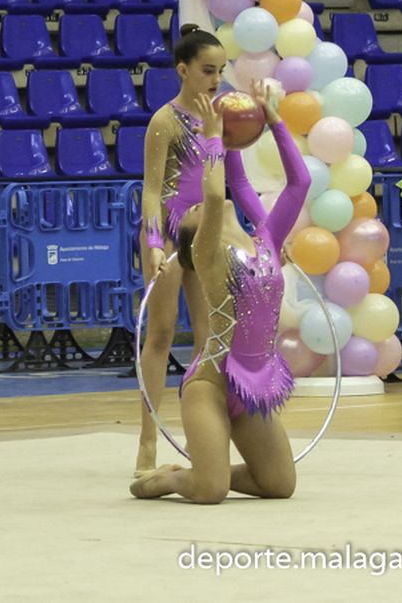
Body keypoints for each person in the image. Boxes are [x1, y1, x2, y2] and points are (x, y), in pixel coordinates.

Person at [130, 81, 303, 504]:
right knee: (209, 492)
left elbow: (299, 184)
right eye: (192, 215)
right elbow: (212, 191)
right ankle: (167, 479)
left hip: (252, 387)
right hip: (210, 386)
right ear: (197, 236)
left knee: (280, 485)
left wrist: (275, 118)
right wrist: (213, 136)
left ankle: (214, 469)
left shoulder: (267, 240)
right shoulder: (208, 253)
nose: (198, 208)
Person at [134, 26, 224, 477]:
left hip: (204, 230)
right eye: (208, 71)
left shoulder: (219, 120)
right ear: (184, 70)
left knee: (209, 337)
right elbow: (151, 191)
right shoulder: (164, 121)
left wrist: (267, 229)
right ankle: (148, 436)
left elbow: (235, 184)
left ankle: (198, 429)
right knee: (161, 333)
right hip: (168, 231)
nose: (215, 80)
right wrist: (152, 244)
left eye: (221, 72)